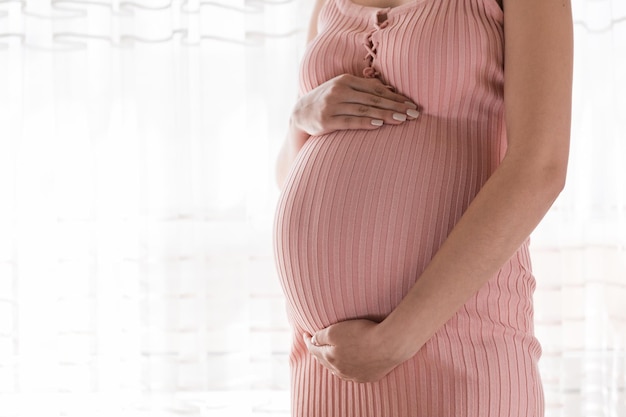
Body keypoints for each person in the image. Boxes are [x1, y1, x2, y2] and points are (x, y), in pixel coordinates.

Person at [273, 0, 572, 415]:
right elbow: (290, 179)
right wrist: (299, 119)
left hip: (457, 344)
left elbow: (540, 167)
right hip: (325, 361)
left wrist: (395, 340)